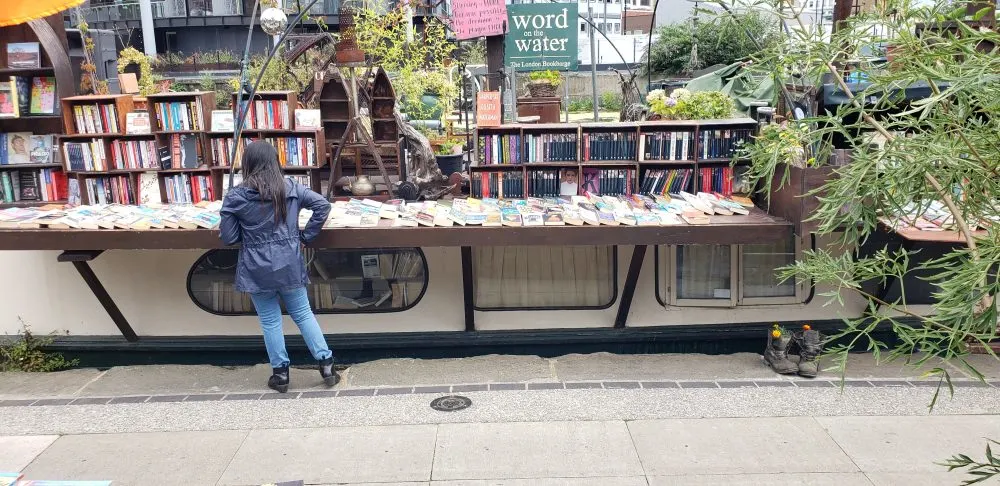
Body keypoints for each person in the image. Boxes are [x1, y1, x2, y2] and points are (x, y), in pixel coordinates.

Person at [220, 141, 336, 393]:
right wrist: (306, 237)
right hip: (289, 262)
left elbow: (228, 237)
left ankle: (281, 374)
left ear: (247, 163)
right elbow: (322, 206)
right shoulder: (290, 187)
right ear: (274, 161)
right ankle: (326, 364)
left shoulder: (236, 196)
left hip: (255, 267)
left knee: (270, 320)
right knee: (303, 314)